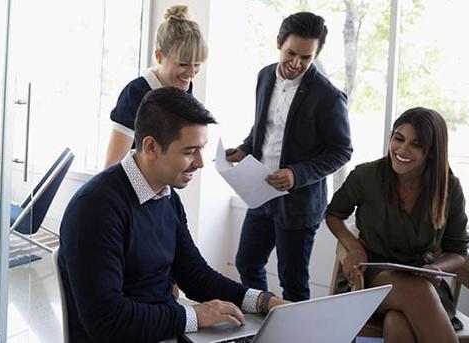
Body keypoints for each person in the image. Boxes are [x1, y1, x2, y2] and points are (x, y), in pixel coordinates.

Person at [59, 87, 287, 342]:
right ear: (151, 147)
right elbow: (107, 320)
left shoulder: (167, 197)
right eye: (190, 151)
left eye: (202, 149)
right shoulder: (95, 208)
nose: (200, 162)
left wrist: (265, 301)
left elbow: (196, 276)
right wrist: (194, 316)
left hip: (164, 333)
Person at [225, 12, 352, 301]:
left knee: (292, 282)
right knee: (247, 263)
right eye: (290, 53)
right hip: (260, 192)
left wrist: (296, 174)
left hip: (299, 204)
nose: (296, 63)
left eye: (306, 57)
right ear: (279, 43)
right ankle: (264, 321)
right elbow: (265, 126)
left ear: (316, 54)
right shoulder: (265, 75)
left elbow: (341, 151)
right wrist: (245, 149)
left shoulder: (329, 96)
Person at [326, 107, 469, 343]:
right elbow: (333, 215)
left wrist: (438, 268)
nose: (402, 150)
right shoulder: (367, 175)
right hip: (370, 275)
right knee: (418, 292)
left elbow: (458, 252)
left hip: (422, 276)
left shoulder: (449, 187)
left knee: (398, 323)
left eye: (416, 144)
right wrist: (353, 247)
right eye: (398, 139)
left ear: (432, 151)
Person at [104, 4, 207, 168]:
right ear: (159, 56)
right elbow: (111, 165)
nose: (191, 72)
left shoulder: (185, 91)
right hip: (132, 190)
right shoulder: (135, 94)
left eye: (197, 64)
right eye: (183, 64)